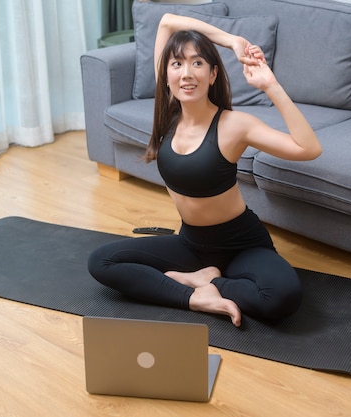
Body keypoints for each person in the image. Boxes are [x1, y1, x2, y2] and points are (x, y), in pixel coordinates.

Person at [87, 14, 322, 327]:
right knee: (101, 261)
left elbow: (308, 148)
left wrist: (270, 85)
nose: (187, 73)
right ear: (166, 73)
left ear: (213, 74)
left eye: (198, 63)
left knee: (282, 297)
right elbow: (168, 22)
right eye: (177, 64)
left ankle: (211, 282)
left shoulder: (233, 126)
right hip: (190, 245)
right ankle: (195, 295)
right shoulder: (169, 112)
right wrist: (231, 40)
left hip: (242, 245)